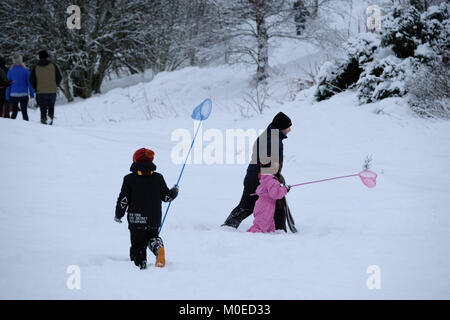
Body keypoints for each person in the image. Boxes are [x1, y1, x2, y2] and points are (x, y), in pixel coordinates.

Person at [222, 112, 292, 231]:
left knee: (251, 205)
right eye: (287, 127)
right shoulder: (272, 140)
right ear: (281, 127)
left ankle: (229, 226)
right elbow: (267, 164)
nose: (289, 130)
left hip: (255, 175)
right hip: (258, 178)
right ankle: (279, 231)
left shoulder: (270, 135)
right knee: (258, 204)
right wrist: (271, 179)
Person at [115, 148, 179, 270]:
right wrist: (174, 191)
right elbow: (166, 197)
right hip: (153, 219)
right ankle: (157, 246)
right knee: (152, 237)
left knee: (138, 244)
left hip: (136, 220)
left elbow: (123, 200)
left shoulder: (129, 179)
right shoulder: (158, 178)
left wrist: (118, 214)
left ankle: (140, 264)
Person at [247, 163, 290, 233]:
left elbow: (266, 191)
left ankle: (269, 238)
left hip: (262, 204)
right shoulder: (273, 181)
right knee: (260, 226)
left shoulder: (264, 179)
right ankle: (253, 237)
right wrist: (285, 189)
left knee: (269, 225)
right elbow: (275, 194)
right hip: (266, 206)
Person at [30, 50, 62, 125]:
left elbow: (31, 80)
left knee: (43, 108)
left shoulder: (36, 67)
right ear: (47, 56)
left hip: (41, 91)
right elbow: (59, 77)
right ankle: (50, 121)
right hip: (52, 90)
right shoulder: (53, 65)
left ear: (39, 57)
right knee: (51, 107)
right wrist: (55, 85)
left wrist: (35, 88)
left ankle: (43, 120)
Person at [6, 54, 34, 121]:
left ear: (13, 61)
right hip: (23, 94)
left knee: (14, 112)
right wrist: (31, 94)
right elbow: (29, 84)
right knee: (24, 112)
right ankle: (27, 126)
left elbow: (8, 85)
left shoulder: (10, 71)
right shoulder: (26, 71)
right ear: (21, 61)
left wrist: (7, 96)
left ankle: (12, 126)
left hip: (13, 95)